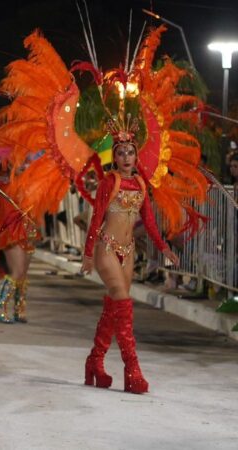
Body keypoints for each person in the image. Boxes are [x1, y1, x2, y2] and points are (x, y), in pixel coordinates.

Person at [81, 120, 179, 394]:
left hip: (128, 251)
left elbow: (148, 221)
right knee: (123, 304)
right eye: (121, 152)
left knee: (114, 308)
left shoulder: (139, 183)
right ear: (114, 156)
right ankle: (132, 369)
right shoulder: (108, 182)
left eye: (130, 152)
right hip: (107, 249)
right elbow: (96, 218)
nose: (126, 157)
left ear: (136, 156)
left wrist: (163, 248)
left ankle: (95, 363)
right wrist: (88, 254)